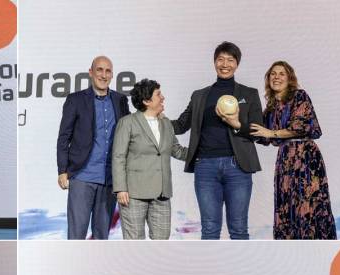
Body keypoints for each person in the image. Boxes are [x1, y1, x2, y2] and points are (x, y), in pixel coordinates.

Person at [172, 41, 263, 239]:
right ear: (214, 62)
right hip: (205, 167)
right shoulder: (199, 95)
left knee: (238, 228)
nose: (225, 64)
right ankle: (210, 270)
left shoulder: (249, 94)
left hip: (237, 166)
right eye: (220, 59)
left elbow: (259, 132)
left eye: (230, 60)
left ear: (237, 64)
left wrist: (237, 123)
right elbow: (180, 125)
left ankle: (239, 270)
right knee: (210, 228)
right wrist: (150, 120)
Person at [249, 61, 337, 239]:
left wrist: (271, 132)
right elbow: (260, 134)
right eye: (273, 73)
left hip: (305, 157)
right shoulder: (271, 107)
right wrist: (235, 122)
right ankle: (291, 253)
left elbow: (300, 126)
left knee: (308, 205)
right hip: (285, 159)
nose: (277, 77)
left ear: (289, 79)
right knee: (286, 205)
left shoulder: (299, 96)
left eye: (282, 73)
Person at [57, 56, 130, 239]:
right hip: (82, 177)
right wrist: (62, 170)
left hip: (109, 180)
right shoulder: (75, 100)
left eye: (107, 71)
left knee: (101, 237)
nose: (103, 75)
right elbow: (64, 136)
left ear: (112, 75)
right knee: (76, 236)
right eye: (99, 70)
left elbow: (128, 136)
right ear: (91, 72)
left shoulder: (120, 100)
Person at [112, 79, 187, 239]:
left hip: (162, 193)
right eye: (158, 94)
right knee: (134, 244)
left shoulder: (166, 123)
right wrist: (120, 188)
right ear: (147, 101)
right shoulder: (127, 123)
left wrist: (205, 154)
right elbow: (118, 157)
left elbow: (177, 151)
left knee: (161, 245)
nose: (163, 98)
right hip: (133, 194)